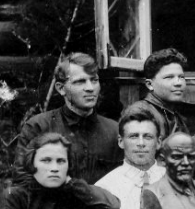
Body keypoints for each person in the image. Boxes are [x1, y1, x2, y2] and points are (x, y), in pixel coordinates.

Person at [14, 52, 122, 185]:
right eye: (80, 82)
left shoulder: (114, 131)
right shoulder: (39, 127)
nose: (90, 88)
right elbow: (23, 180)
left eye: (94, 80)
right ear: (61, 88)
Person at [126, 48, 189, 139]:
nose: (178, 83)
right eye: (169, 77)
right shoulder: (140, 113)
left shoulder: (176, 116)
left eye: (181, 77)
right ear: (150, 84)